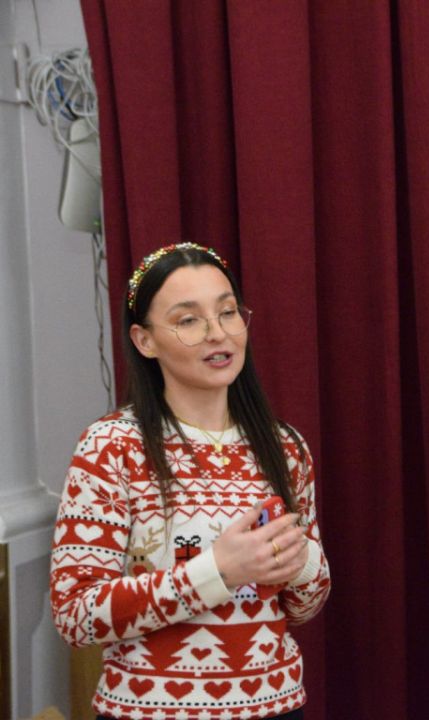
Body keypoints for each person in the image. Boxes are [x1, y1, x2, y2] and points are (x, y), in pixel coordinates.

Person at [50, 243, 331, 720]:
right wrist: (217, 572)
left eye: (227, 312)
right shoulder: (112, 446)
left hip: (276, 705)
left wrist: (300, 562)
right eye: (188, 320)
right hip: (149, 710)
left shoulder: (285, 447)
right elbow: (76, 616)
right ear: (144, 341)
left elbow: (304, 606)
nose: (217, 333)